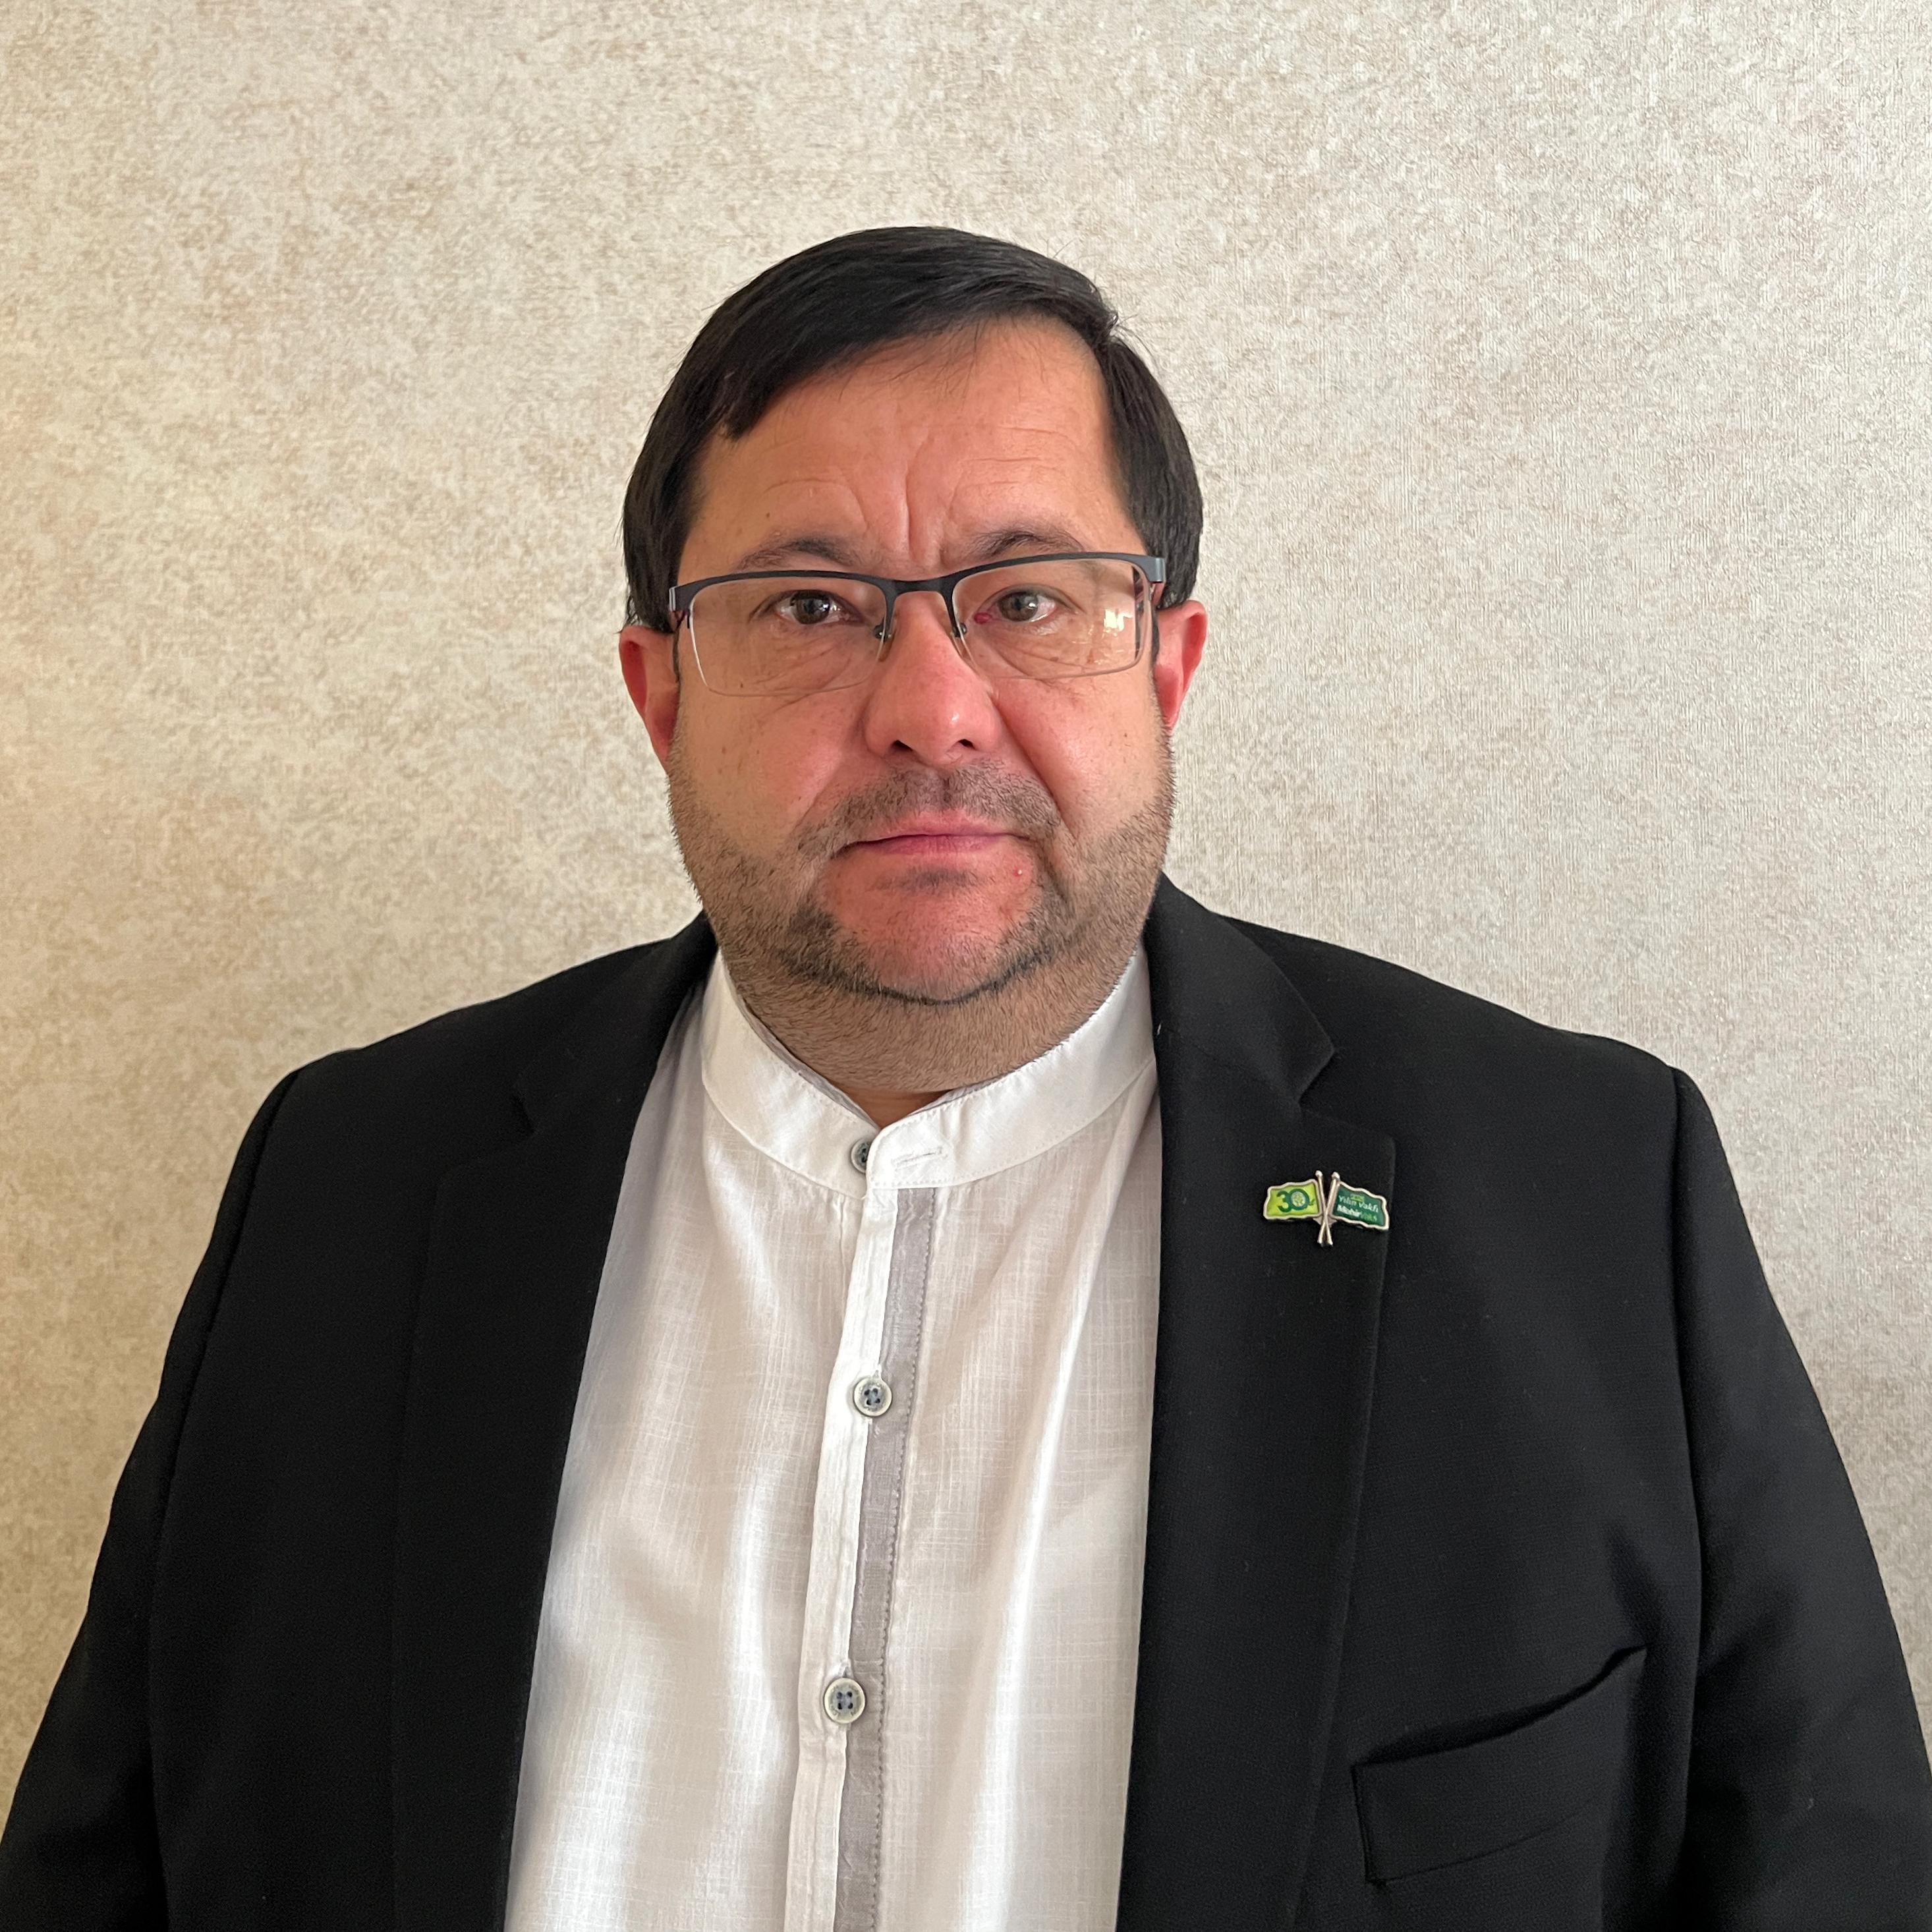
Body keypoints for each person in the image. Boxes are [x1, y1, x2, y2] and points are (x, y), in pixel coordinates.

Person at [1, 225, 1925, 1932]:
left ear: (1163, 665)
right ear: (659, 695)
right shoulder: (345, 1184)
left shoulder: (1588, 1196)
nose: (930, 710)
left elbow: (1827, 1875)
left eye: (1028, 597)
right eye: (808, 606)